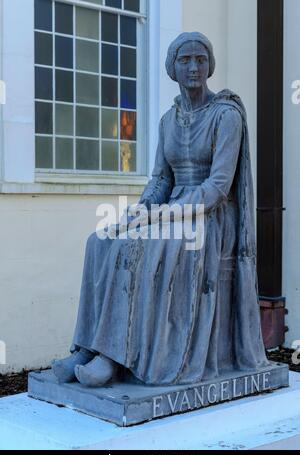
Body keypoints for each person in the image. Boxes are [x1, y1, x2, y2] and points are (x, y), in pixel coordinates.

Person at [52, 32, 268, 387]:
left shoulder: (226, 115)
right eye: (185, 60)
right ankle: (86, 346)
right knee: (101, 240)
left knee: (136, 248)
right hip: (169, 211)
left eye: (201, 60)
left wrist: (163, 215)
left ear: (209, 65)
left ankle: (113, 357)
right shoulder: (168, 120)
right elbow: (160, 179)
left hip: (209, 218)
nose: (194, 67)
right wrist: (140, 211)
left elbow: (217, 187)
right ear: (173, 68)